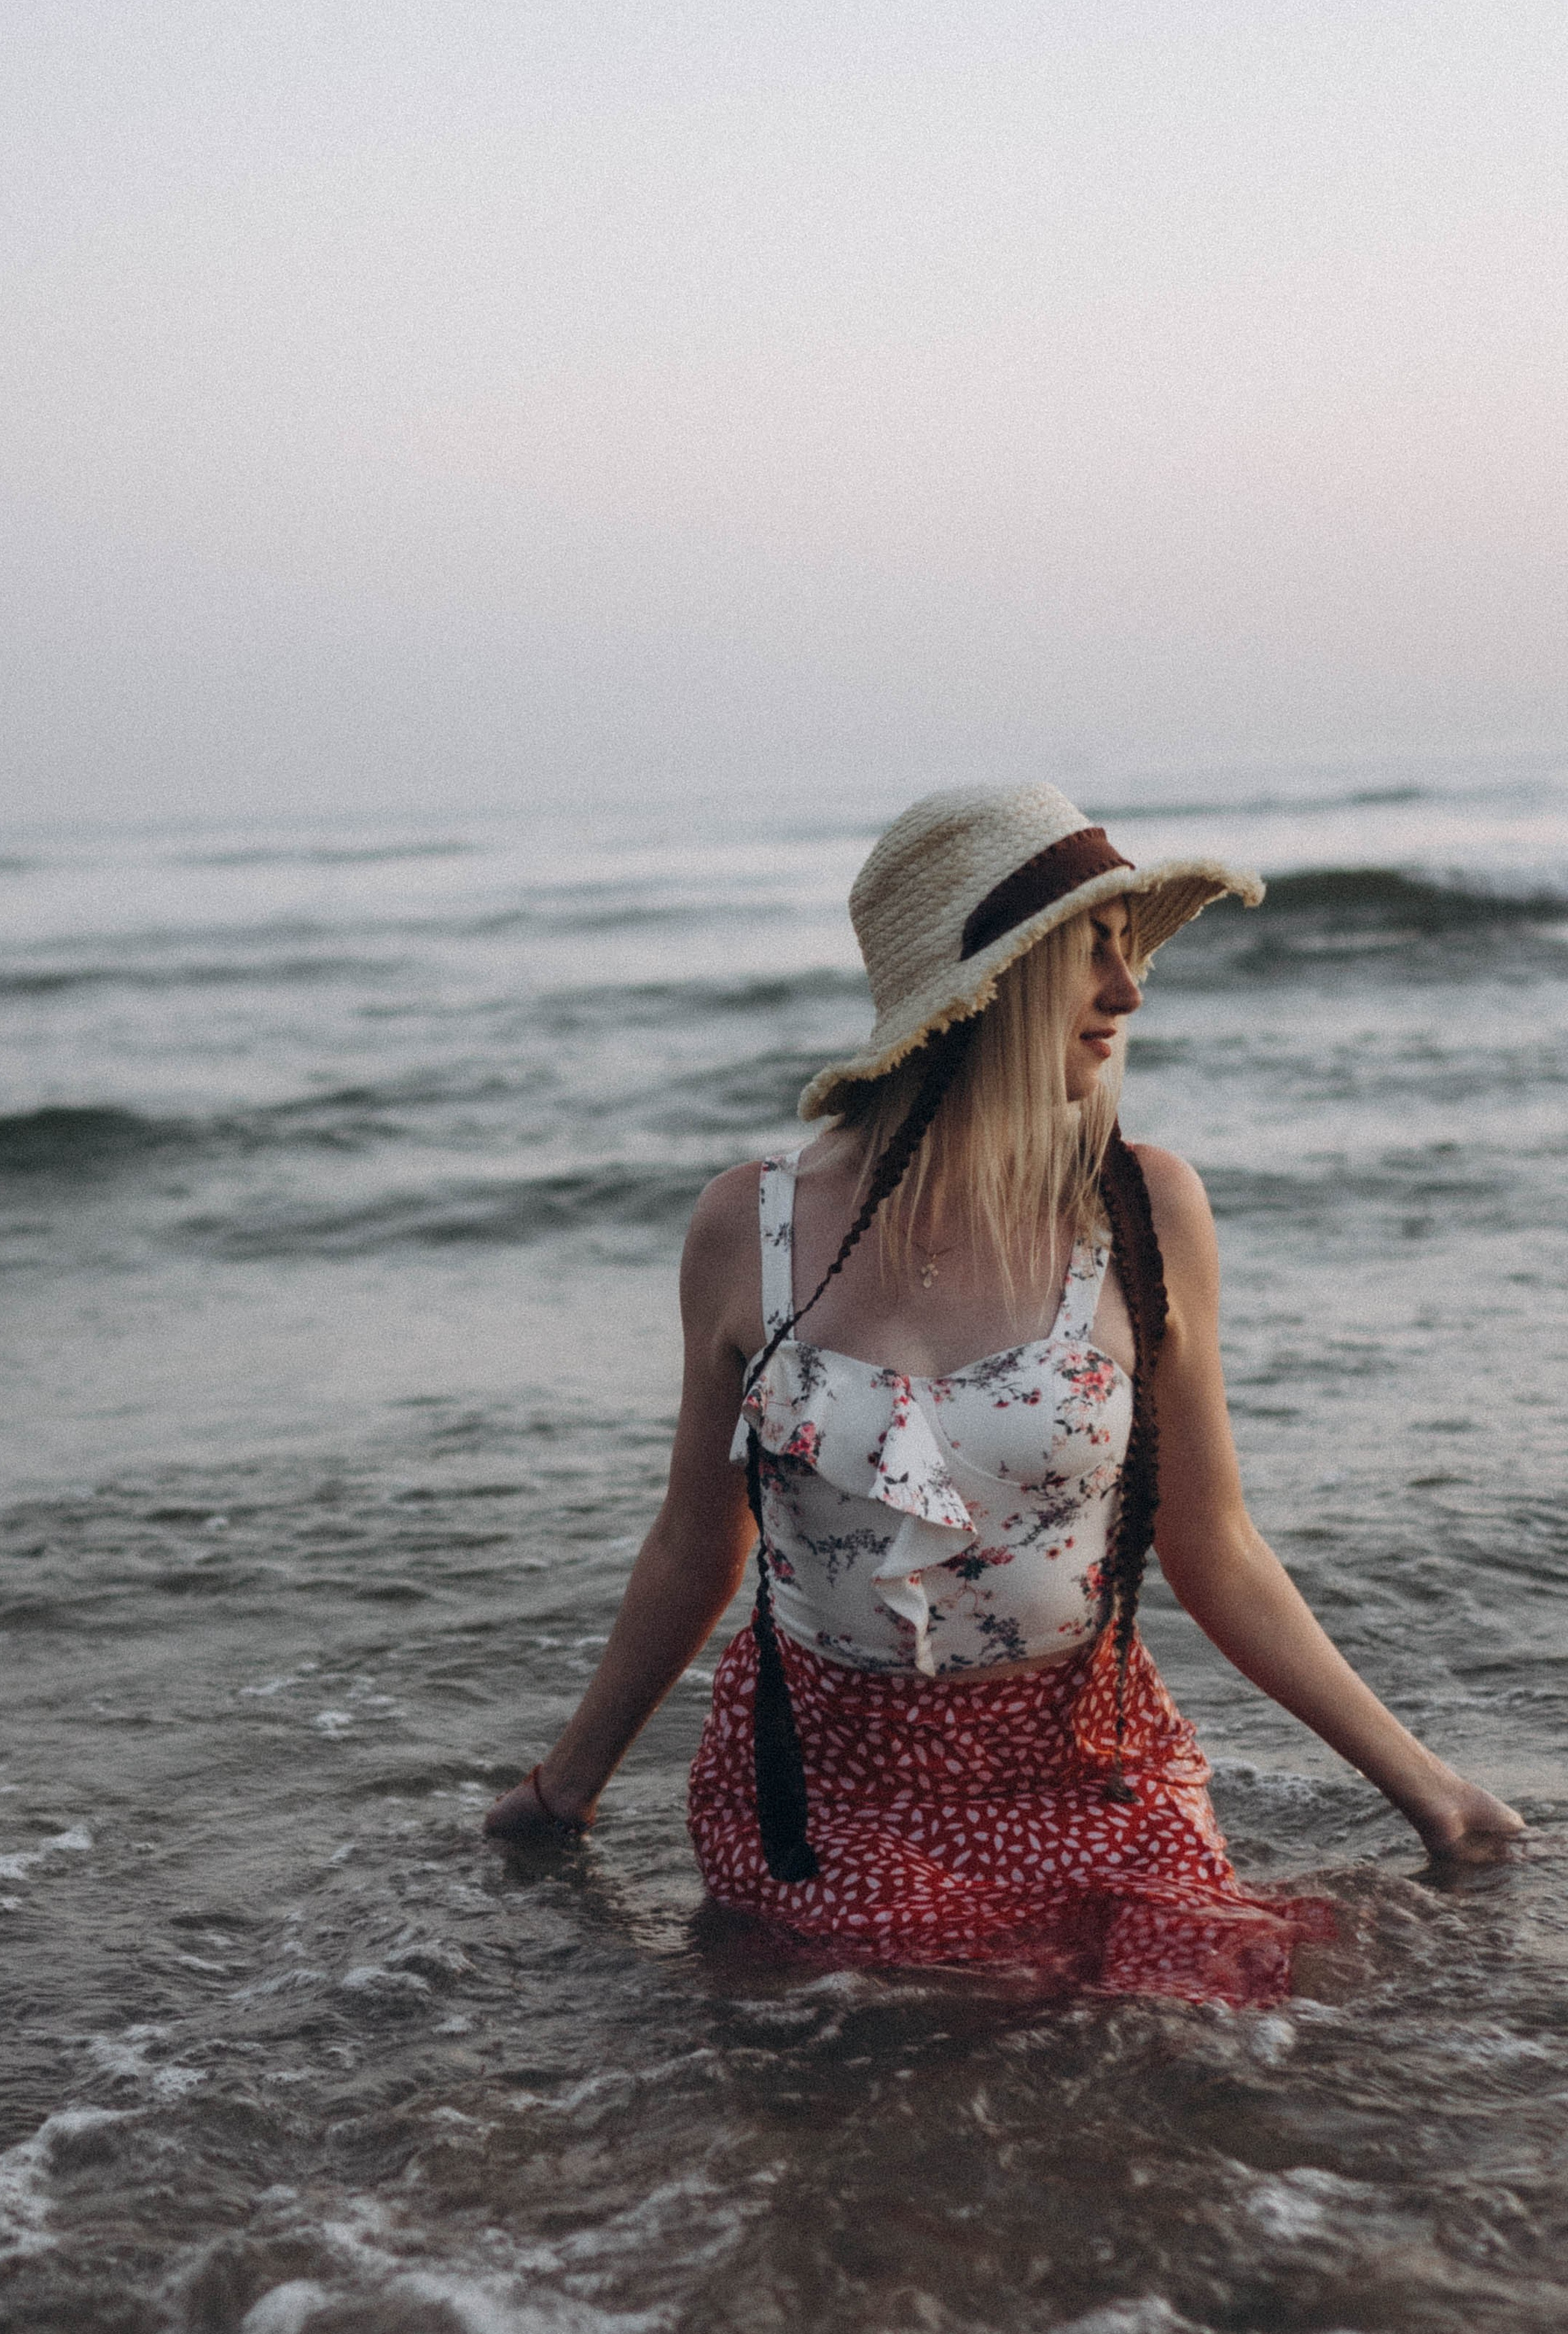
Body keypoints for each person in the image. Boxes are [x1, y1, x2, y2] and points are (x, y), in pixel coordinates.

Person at [485, 784, 1522, 2002]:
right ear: (984, 984)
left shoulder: (1142, 1212)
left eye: (1128, 953)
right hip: (830, 1787)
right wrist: (567, 1788)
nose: (1129, 995)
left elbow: (1215, 1544)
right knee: (916, 2044)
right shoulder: (746, 1228)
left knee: (1204, 2022)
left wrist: (1433, 1791)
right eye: (1090, 953)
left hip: (1093, 1772)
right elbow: (694, 1545)